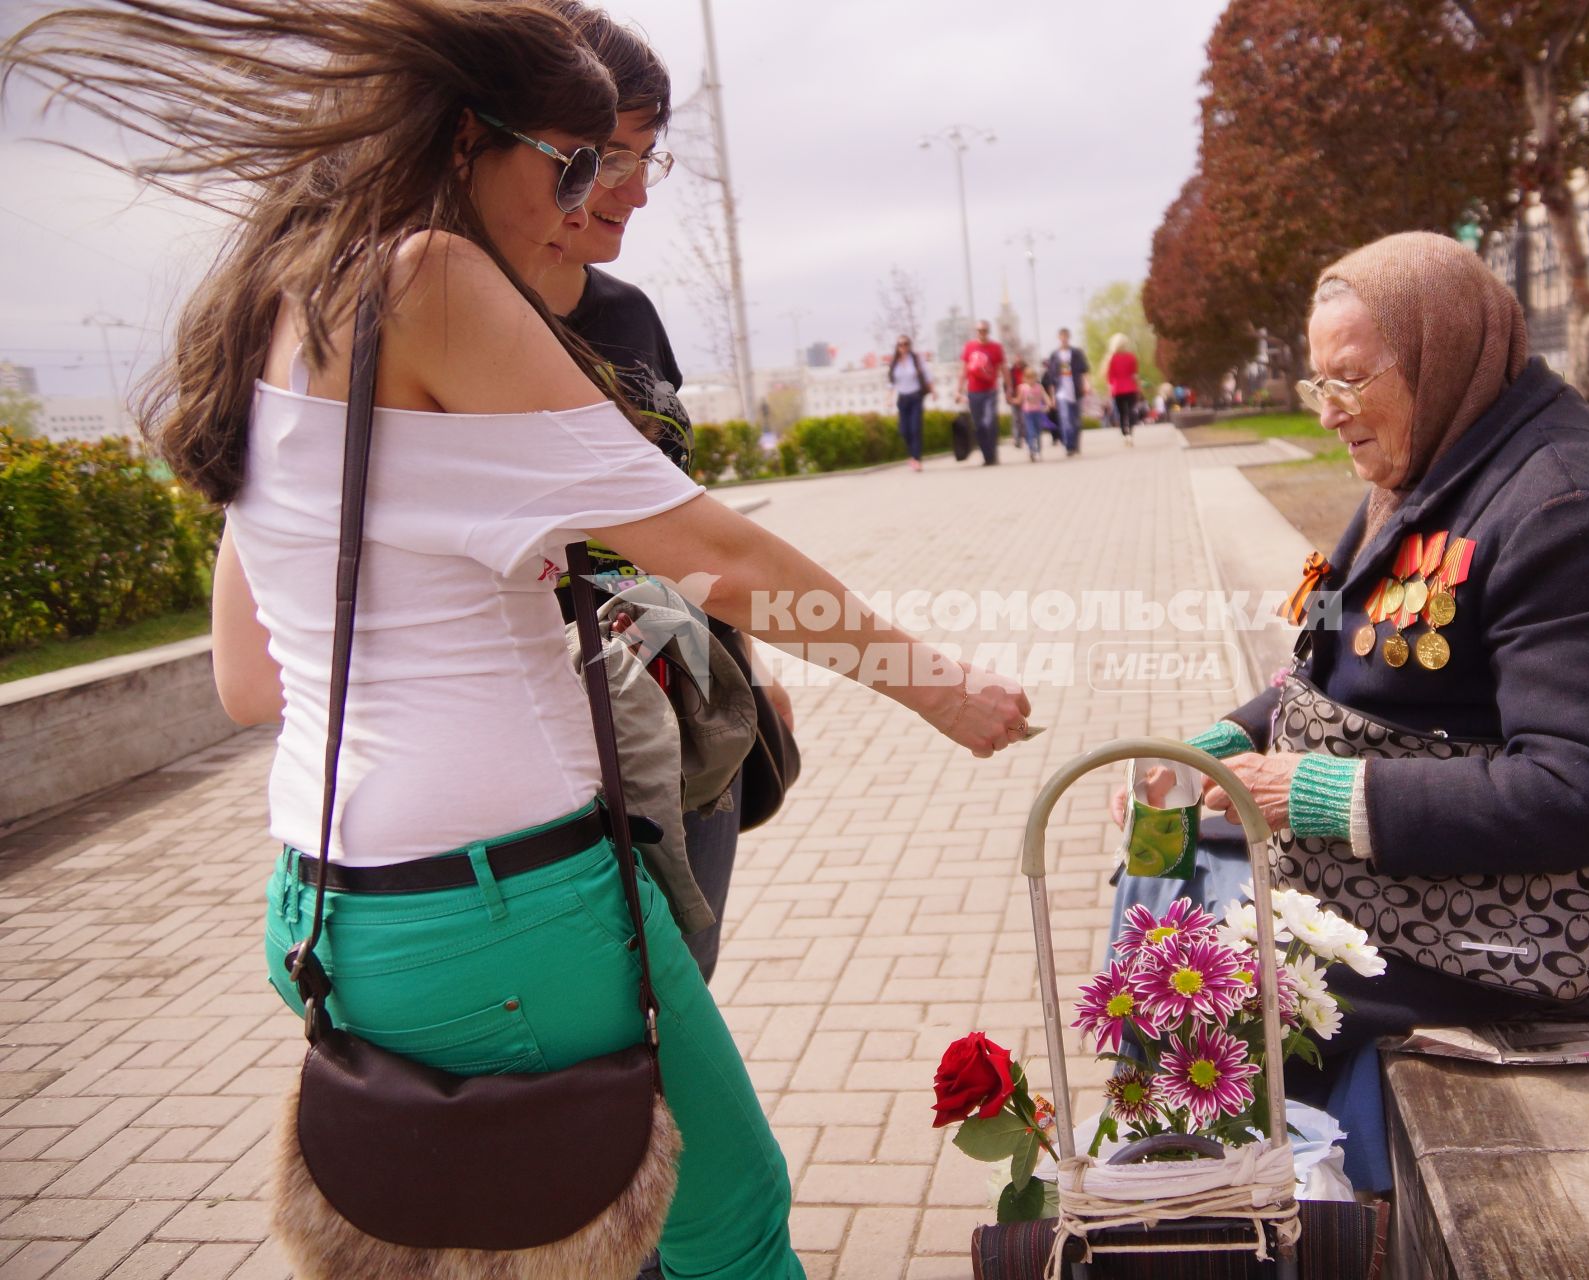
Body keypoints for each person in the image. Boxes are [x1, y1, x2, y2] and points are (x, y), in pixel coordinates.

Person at [6, 6, 1033, 1278]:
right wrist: (942, 691)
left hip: (334, 902)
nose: (585, 202)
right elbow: (729, 556)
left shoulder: (292, 299)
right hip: (504, 902)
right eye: (567, 165)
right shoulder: (427, 280)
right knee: (727, 1219)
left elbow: (245, 678)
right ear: (456, 139)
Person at [1108, 231, 1589, 1188]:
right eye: (1316, 385)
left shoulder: (1570, 506)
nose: (1329, 414)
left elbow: (1583, 790)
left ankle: (1232, 1213)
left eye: (1349, 381)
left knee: (1183, 994)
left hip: (1524, 913)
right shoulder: (1429, 465)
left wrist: (1320, 794)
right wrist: (1221, 743)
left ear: (1439, 349)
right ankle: (1206, 1198)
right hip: (1411, 867)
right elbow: (1327, 663)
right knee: (1154, 881)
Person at [530, 2, 786, 990]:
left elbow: (680, 506)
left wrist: (750, 668)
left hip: (683, 709)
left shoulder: (626, 314)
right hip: (552, 746)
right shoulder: (448, 322)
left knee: (682, 993)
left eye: (647, 157)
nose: (632, 191)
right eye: (607, 155)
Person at [961, 318, 1005, 465]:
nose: (982, 333)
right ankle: (988, 456)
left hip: (990, 391)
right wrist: (958, 390)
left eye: (984, 330)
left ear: (988, 331)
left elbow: (1003, 368)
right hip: (973, 392)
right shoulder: (969, 347)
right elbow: (964, 369)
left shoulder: (996, 348)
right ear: (976, 332)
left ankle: (992, 453)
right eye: (979, 330)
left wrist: (1009, 387)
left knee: (989, 421)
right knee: (978, 425)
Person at [888, 334, 933, 471]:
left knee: (915, 429)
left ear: (909, 345)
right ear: (897, 347)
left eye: (906, 344)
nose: (903, 347)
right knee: (904, 430)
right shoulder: (894, 363)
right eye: (901, 344)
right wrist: (888, 398)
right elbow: (891, 382)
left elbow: (927, 375)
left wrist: (933, 391)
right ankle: (911, 455)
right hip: (902, 399)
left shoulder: (916, 359)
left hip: (916, 397)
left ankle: (916, 459)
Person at [1042, 327, 1089, 456]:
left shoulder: (1076, 353)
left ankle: (1076, 444)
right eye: (1061, 336)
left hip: (1075, 389)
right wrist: (1052, 396)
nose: (1063, 339)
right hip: (1061, 391)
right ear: (1059, 338)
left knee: (1076, 420)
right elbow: (1051, 378)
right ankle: (1069, 446)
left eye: (1066, 336)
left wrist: (1086, 384)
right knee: (1065, 419)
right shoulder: (1054, 355)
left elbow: (1084, 371)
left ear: (1068, 337)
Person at [1103, 332, 1140, 444]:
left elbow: (1109, 377)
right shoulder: (1131, 357)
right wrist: (1138, 387)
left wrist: (1109, 389)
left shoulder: (1111, 359)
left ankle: (1125, 433)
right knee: (1131, 411)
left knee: (1121, 413)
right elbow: (1135, 375)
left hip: (1117, 389)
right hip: (1130, 388)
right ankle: (1130, 432)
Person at [1014, 365, 1052, 462]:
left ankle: (1038, 450)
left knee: (1038, 432)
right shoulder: (1022, 388)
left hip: (1037, 412)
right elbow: (1019, 400)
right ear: (1025, 379)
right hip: (1027, 413)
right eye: (1028, 378)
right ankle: (1032, 450)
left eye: (1033, 378)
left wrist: (1048, 403)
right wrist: (1012, 400)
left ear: (1035, 378)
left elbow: (1045, 396)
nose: (1031, 381)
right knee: (1030, 432)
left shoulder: (1039, 387)